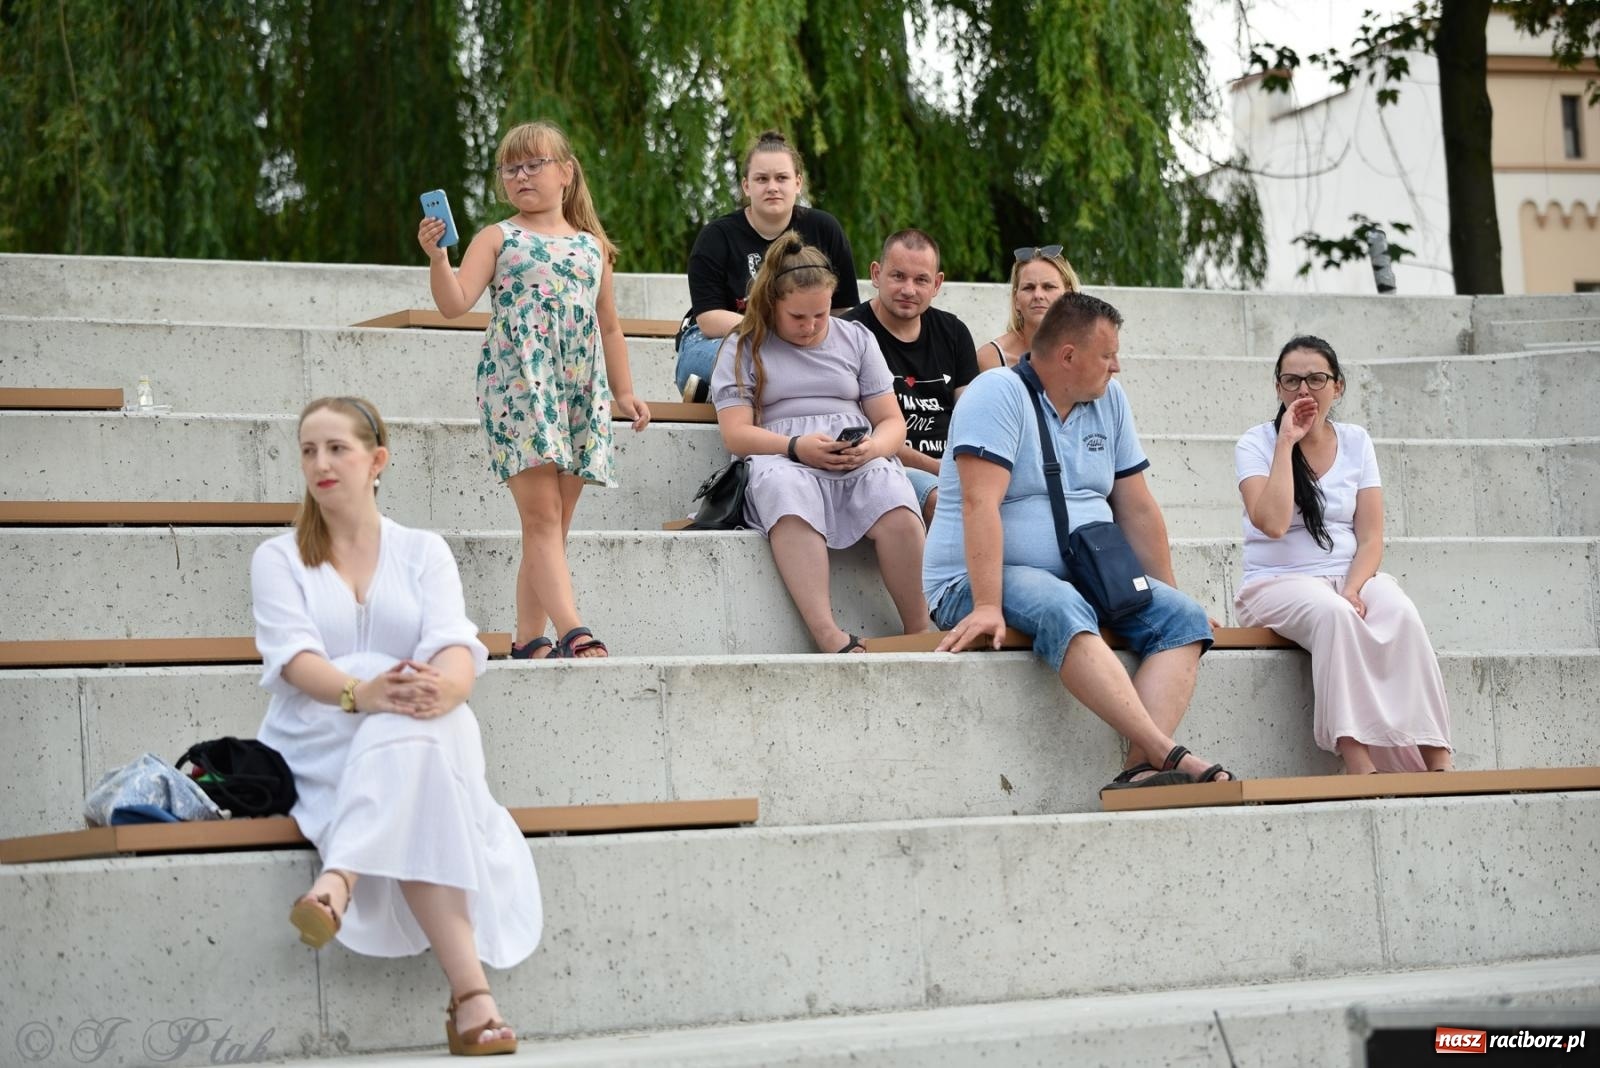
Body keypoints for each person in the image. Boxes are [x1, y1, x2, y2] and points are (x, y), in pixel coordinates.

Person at [254, 396, 539, 1057]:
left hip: (423, 716)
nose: (320, 463)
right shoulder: (278, 556)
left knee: (415, 733)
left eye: (337, 448)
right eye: (308, 450)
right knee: (413, 747)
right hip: (321, 729)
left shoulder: (422, 550)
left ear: (376, 460)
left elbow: (454, 644)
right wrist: (363, 693)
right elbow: (292, 659)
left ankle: (339, 880)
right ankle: (472, 1000)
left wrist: (446, 690)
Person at [925, 293, 1235, 792]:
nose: (1117, 366)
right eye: (1107, 355)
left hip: (1087, 573)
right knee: (1063, 604)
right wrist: (985, 605)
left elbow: (1136, 506)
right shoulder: (996, 393)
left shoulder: (1110, 399)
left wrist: (1167, 589)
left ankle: (1140, 770)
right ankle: (1168, 753)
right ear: (1068, 355)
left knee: (1183, 619)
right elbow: (980, 504)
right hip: (972, 581)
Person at [419, 119, 649, 660]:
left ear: (565, 172)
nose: (521, 176)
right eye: (510, 168)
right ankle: (573, 629)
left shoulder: (593, 247)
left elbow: (609, 326)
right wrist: (438, 257)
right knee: (542, 518)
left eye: (533, 165)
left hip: (578, 388)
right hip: (519, 384)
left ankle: (527, 640)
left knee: (553, 526)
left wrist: (624, 392)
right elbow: (454, 303)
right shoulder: (498, 237)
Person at [1234, 336, 1454, 774]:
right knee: (1336, 615)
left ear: (1338, 387)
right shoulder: (1256, 443)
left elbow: (1371, 538)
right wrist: (1286, 443)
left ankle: (1438, 757)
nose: (1304, 389)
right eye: (1291, 380)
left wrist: (1353, 588)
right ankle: (1358, 760)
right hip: (1276, 582)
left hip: (1349, 576)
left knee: (1402, 614)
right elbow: (1272, 523)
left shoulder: (1356, 441)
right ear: (1277, 388)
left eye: (1316, 379)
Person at [710, 232, 928, 653]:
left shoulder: (856, 338)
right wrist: (796, 447)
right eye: (797, 317)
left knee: (893, 494)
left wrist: (873, 448)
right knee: (787, 490)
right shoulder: (743, 345)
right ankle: (827, 632)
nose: (810, 327)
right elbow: (736, 433)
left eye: (821, 315)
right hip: (780, 453)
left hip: (854, 455)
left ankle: (919, 628)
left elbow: (891, 422)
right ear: (773, 303)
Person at [676, 129, 860, 402]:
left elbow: (844, 311)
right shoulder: (716, 237)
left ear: (798, 183)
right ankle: (734, 388)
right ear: (746, 186)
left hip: (804, 337)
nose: (772, 187)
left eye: (782, 178)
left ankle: (721, 392)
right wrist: (775, 334)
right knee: (750, 359)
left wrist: (801, 336)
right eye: (762, 179)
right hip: (725, 339)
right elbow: (709, 319)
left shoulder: (824, 229)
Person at [842, 229, 979, 527]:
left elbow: (972, 418)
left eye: (921, 280)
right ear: (876, 274)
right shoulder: (848, 334)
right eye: (898, 276)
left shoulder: (954, 333)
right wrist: (943, 471)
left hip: (952, 467)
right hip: (885, 466)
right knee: (941, 500)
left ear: (937, 284)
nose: (908, 289)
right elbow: (863, 437)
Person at [977, 245, 1081, 371]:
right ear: (1016, 299)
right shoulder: (991, 359)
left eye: (1048, 287)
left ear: (1069, 295)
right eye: (1029, 288)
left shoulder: (1087, 354)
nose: (1038, 295)